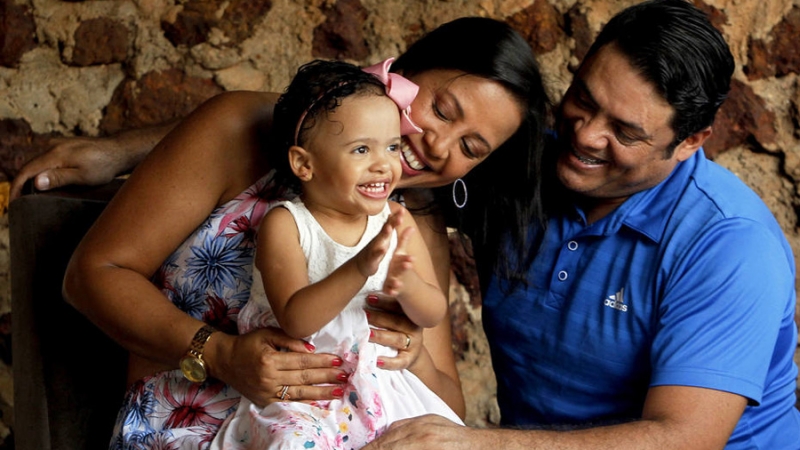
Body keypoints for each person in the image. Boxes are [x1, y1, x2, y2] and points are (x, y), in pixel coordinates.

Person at [48, 17, 550, 449]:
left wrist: (413, 356)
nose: (440, 145)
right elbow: (94, 274)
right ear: (400, 73)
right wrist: (221, 354)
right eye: (441, 110)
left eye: (472, 147)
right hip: (195, 424)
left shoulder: (411, 223)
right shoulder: (239, 133)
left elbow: (446, 405)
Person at [361, 0, 800, 449]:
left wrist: (474, 444)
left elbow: (685, 437)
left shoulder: (730, 246)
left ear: (690, 141)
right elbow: (338, 140)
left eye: (625, 133)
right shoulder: (523, 165)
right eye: (584, 100)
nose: (586, 135)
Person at [211, 59, 463, 449]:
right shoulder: (287, 224)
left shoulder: (397, 219)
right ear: (304, 164)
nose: (384, 164)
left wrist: (410, 287)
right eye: (361, 149)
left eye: (392, 146)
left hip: (383, 389)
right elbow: (296, 319)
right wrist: (359, 268)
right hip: (308, 392)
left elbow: (431, 314)